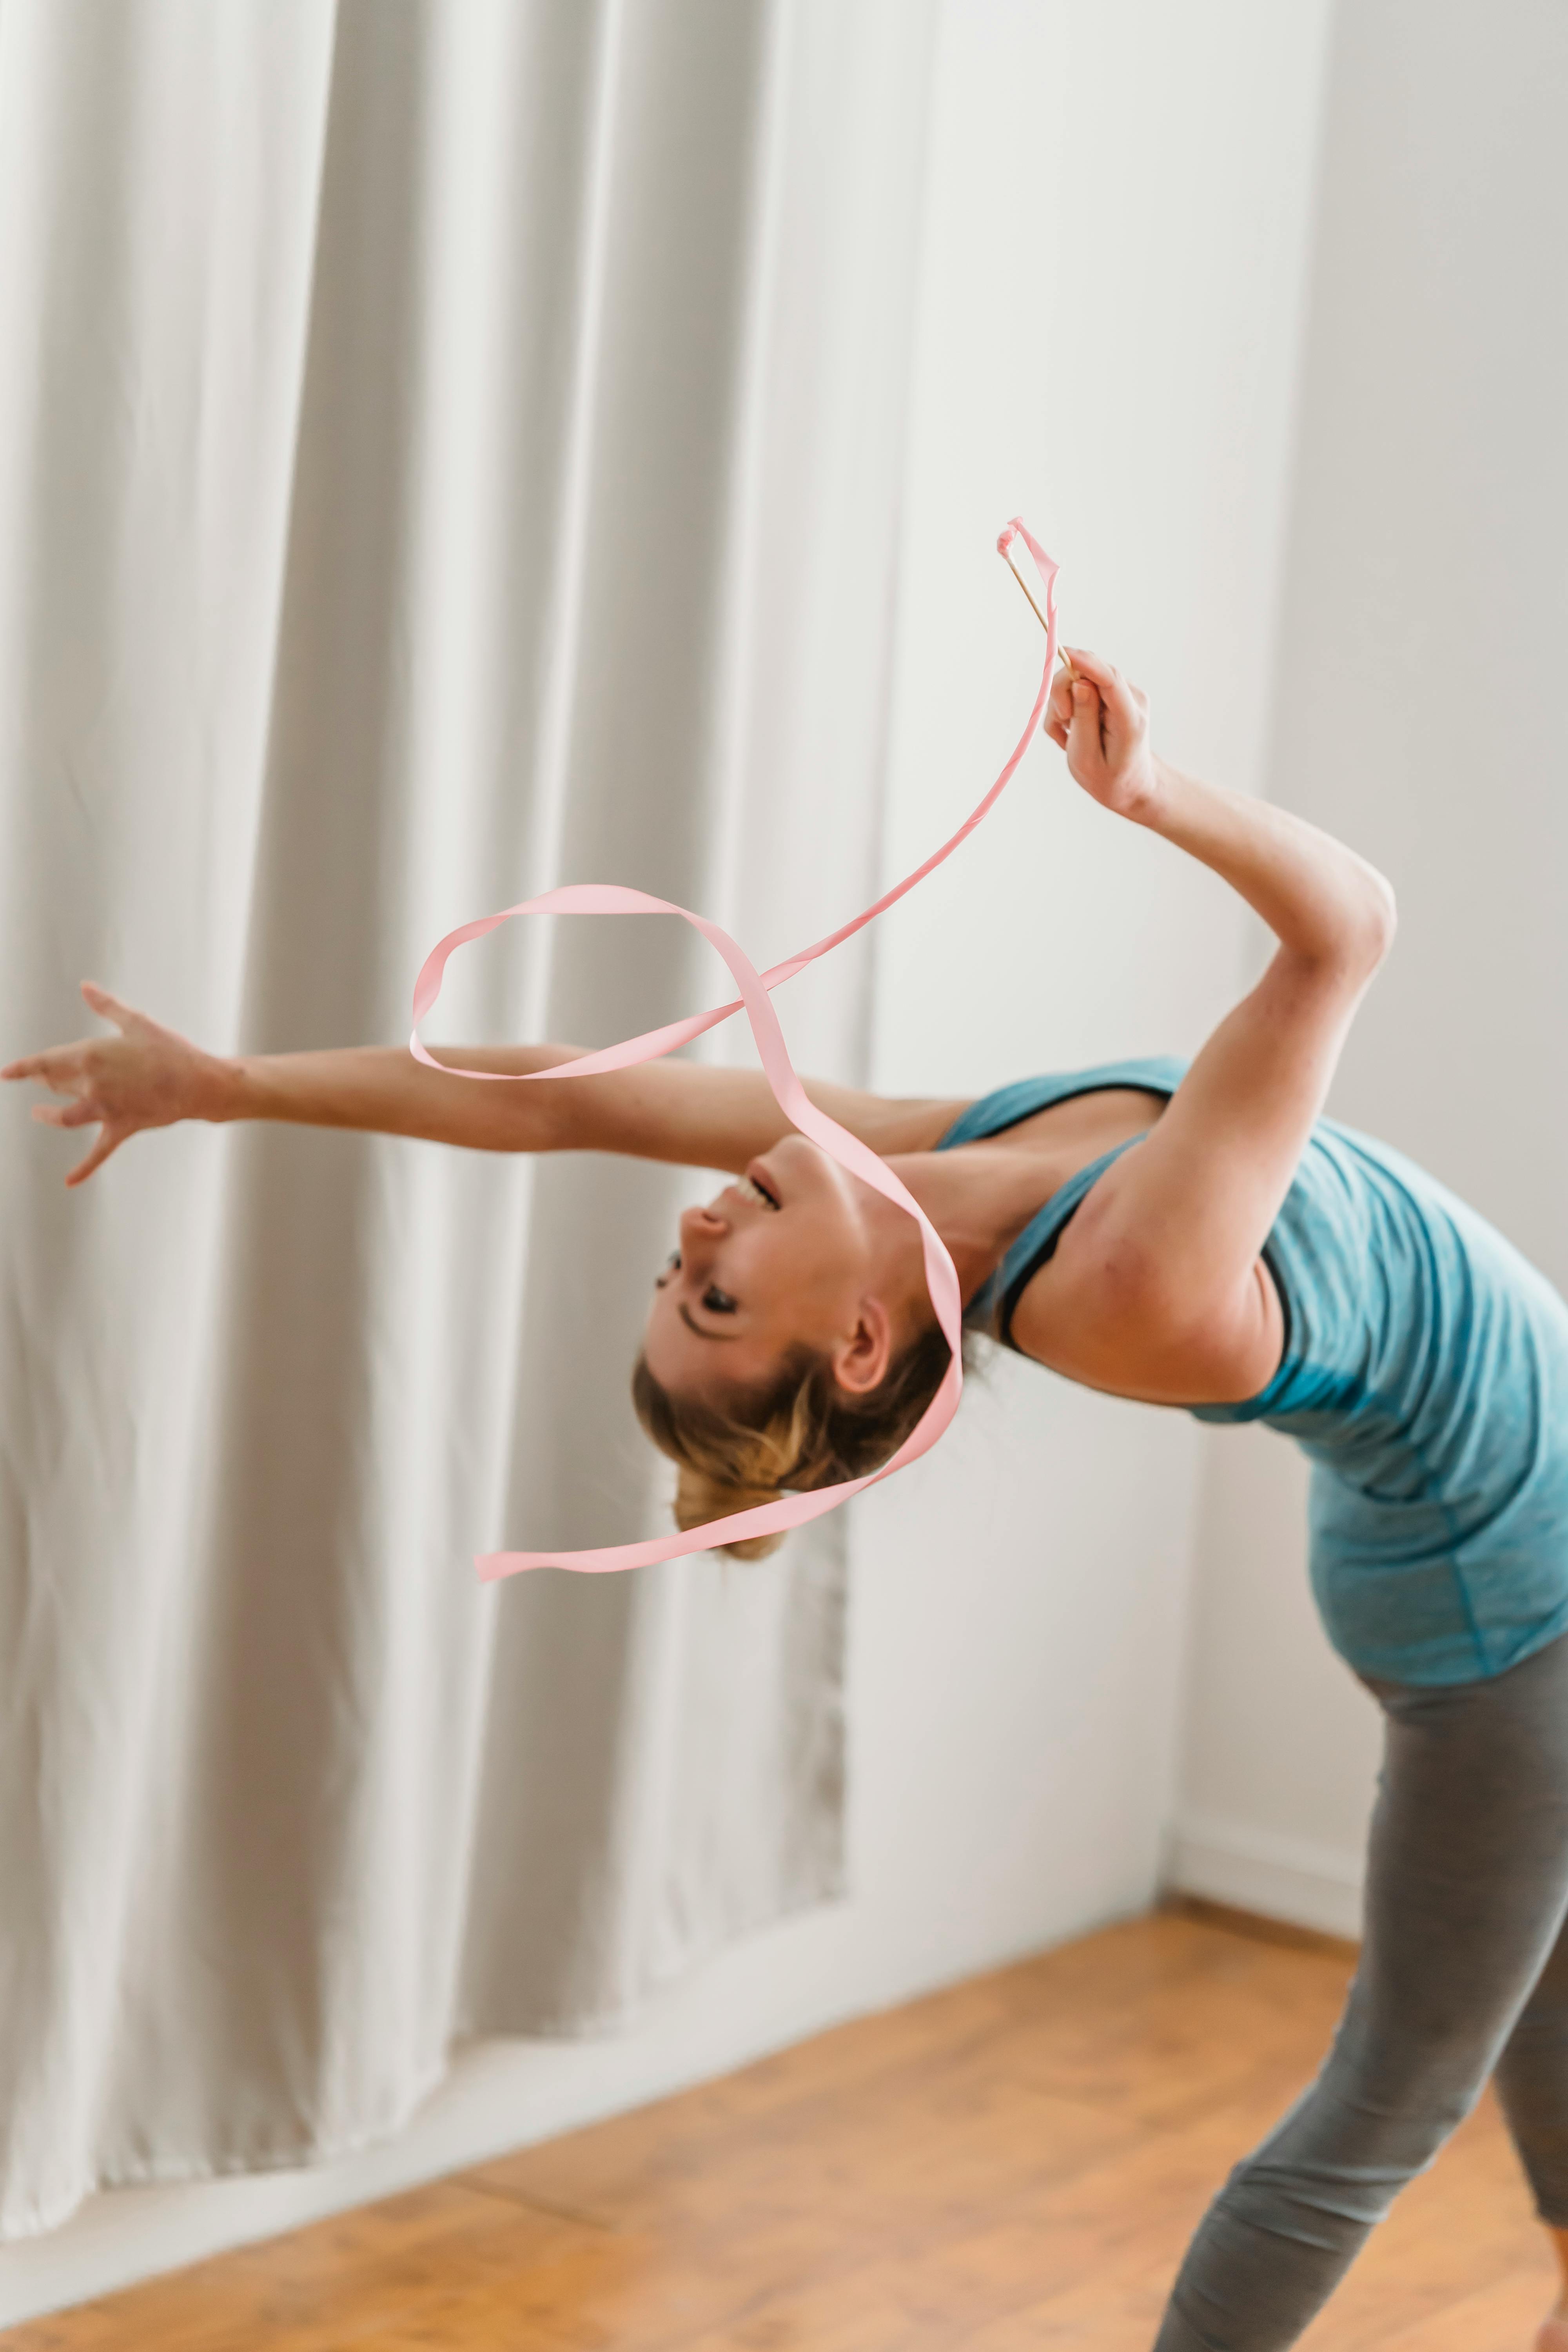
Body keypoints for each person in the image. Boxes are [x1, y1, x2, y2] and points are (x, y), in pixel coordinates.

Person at [7, 646, 1568, 2352]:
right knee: (1389, 2101)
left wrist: (229, 1085)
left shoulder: (943, 1154)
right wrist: (1147, 798)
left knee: (1536, 1947)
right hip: (1515, 1604)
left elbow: (572, 1101)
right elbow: (1346, 931)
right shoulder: (1130, 1286)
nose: (692, 1239)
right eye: (719, 1299)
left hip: (1450, 1534)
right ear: (856, 1339)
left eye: (684, 1279)